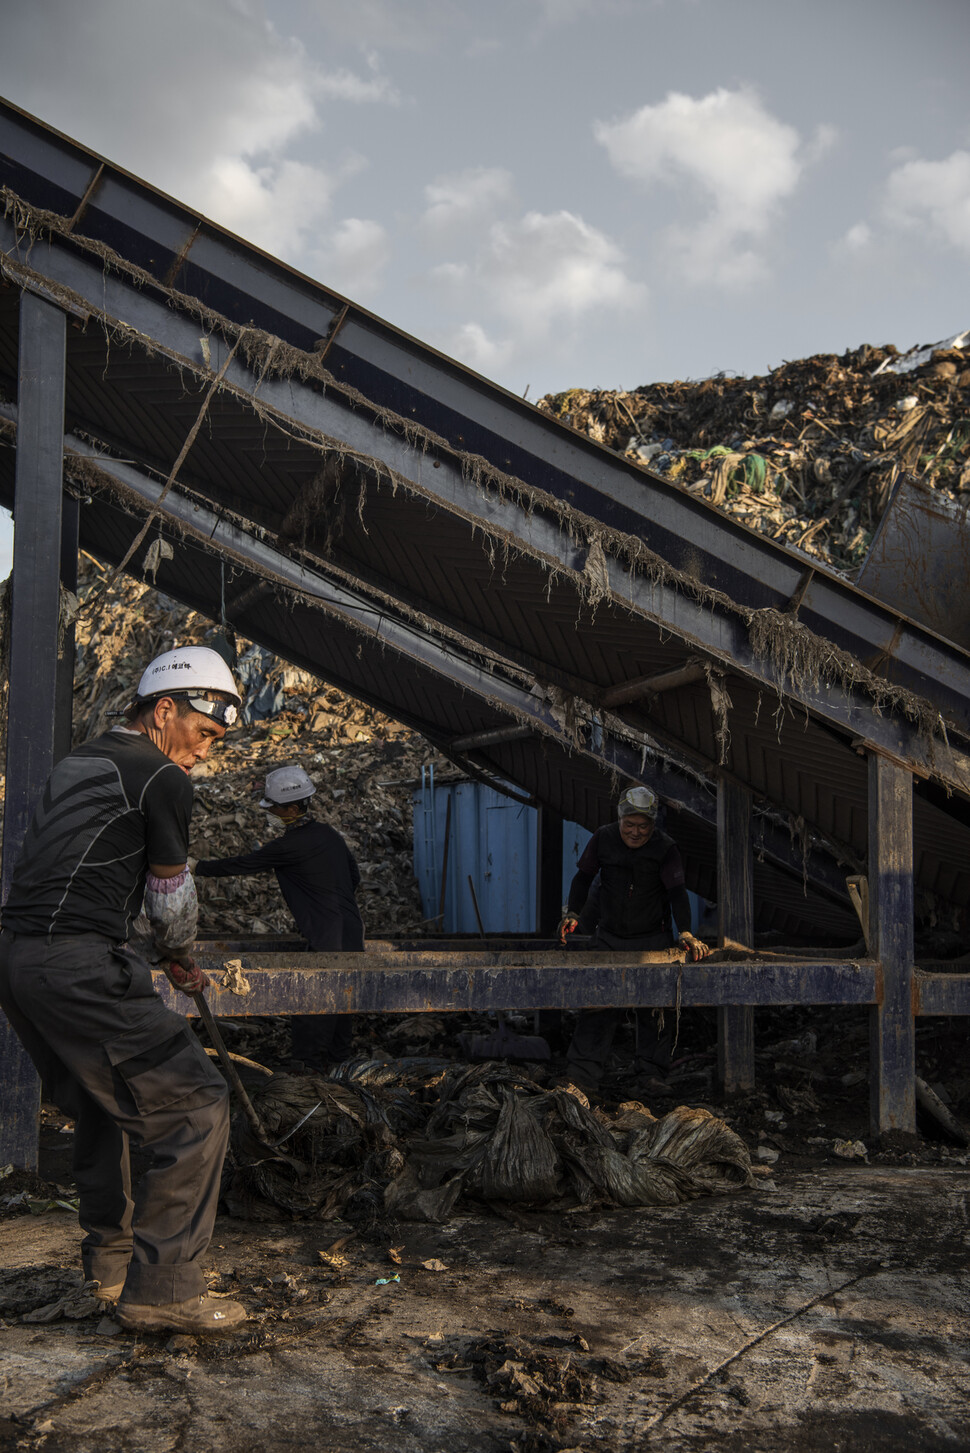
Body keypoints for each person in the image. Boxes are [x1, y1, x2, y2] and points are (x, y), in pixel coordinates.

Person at [0, 647, 247, 1335]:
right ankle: (164, 1290)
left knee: (107, 1103)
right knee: (193, 1103)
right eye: (203, 732)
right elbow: (171, 897)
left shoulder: (79, 763)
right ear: (165, 710)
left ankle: (110, 1263)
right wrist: (180, 956)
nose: (202, 752)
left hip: (18, 959)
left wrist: (156, 953)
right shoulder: (161, 775)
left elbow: (84, 867)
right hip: (77, 963)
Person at [194, 764, 364, 1070]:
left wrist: (198, 867)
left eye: (273, 807)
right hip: (351, 929)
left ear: (293, 808)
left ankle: (308, 1070)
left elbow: (245, 864)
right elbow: (354, 876)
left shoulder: (290, 845)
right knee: (342, 1000)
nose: (269, 811)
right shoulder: (327, 834)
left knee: (313, 1002)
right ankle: (341, 1065)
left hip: (328, 935)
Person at [559, 784, 710, 1093]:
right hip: (610, 936)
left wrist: (685, 932)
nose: (636, 832)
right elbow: (583, 877)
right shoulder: (603, 837)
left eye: (643, 826)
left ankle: (651, 1075)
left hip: (652, 940)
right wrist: (572, 913)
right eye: (630, 825)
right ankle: (582, 1074)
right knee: (598, 1005)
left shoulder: (665, 848)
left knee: (656, 1010)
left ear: (653, 825)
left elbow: (677, 893)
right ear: (620, 820)